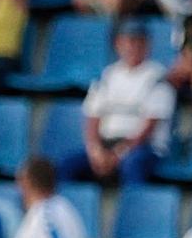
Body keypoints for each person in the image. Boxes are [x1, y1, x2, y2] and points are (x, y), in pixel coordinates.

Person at [65, 24, 175, 187]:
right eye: (127, 42)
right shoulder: (108, 75)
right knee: (67, 165)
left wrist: (117, 154)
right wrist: (95, 151)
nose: (132, 47)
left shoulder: (158, 77)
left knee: (132, 164)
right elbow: (92, 118)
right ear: (118, 45)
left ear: (147, 45)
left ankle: (135, 210)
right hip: (106, 144)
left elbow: (148, 128)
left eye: (137, 42)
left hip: (144, 148)